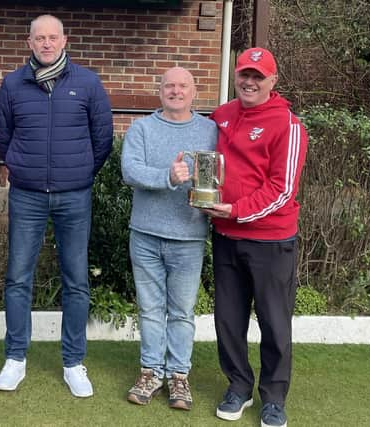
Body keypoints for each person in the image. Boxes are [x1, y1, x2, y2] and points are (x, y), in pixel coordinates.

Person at [0, 14, 113, 398]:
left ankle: (74, 362)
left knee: (76, 281)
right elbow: (3, 135)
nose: (46, 44)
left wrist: (77, 172)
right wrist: (25, 168)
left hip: (74, 196)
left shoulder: (88, 83)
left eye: (53, 37)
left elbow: (102, 139)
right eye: (39, 38)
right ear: (29, 42)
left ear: (65, 40)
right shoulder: (13, 84)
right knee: (17, 278)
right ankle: (15, 358)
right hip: (26, 195)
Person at [203, 47, 308, 427]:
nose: (249, 82)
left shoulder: (288, 125)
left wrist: (237, 210)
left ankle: (274, 397)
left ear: (272, 82)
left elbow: (282, 190)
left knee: (274, 321)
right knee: (228, 319)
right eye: (244, 74)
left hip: (270, 239)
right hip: (225, 235)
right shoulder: (223, 115)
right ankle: (238, 386)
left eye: (257, 77)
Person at [121, 67, 217, 410]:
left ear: (194, 91)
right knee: (149, 309)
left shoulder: (210, 130)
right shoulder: (142, 128)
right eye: (169, 86)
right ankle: (151, 372)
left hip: (189, 237)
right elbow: (129, 170)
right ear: (159, 90)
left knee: (181, 312)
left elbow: (219, 174)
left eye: (182, 86)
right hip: (145, 234)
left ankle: (179, 377)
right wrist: (168, 176)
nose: (175, 91)